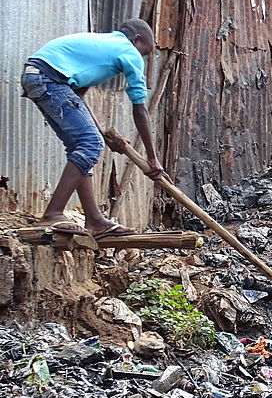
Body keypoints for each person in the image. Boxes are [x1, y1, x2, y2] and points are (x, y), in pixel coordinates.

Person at [20, 19, 169, 237]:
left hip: (37, 76)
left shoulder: (103, 47)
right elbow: (140, 109)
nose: (143, 58)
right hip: (49, 78)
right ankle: (53, 213)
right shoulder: (128, 51)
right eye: (145, 52)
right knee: (89, 144)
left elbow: (78, 97)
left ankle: (95, 221)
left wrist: (103, 134)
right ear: (136, 40)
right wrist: (152, 158)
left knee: (82, 147)